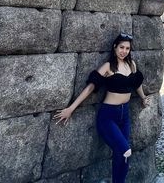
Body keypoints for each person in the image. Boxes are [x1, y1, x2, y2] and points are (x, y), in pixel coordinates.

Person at [54, 33, 149, 183]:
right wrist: (71, 108)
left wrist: (143, 98)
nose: (124, 51)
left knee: (122, 156)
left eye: (127, 48)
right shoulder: (107, 67)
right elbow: (90, 88)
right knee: (125, 151)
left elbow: (137, 84)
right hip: (108, 116)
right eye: (121, 47)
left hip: (125, 116)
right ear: (115, 47)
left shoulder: (132, 65)